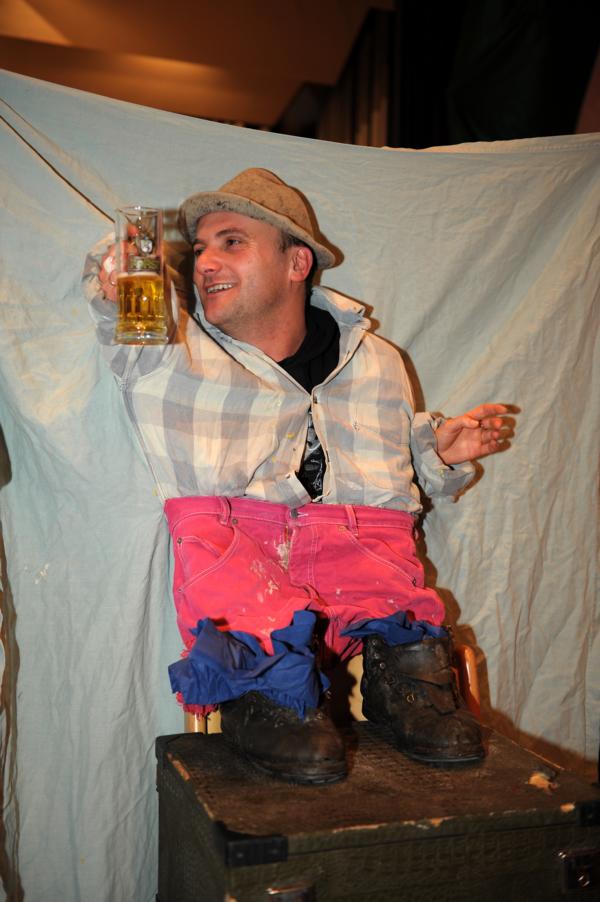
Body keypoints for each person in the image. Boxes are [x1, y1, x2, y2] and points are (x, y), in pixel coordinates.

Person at [83, 168, 512, 785]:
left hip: (362, 559)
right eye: (200, 248)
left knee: (398, 586)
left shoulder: (377, 361)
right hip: (244, 567)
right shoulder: (167, 350)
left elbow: (396, 482)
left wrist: (436, 457)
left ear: (297, 262)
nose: (205, 263)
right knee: (229, 579)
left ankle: (405, 683)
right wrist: (120, 269)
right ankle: (271, 691)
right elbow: (121, 307)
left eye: (232, 241)